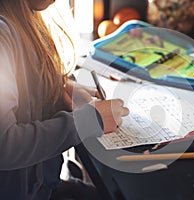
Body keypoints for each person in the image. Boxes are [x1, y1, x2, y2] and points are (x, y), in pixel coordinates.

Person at [0, 0, 129, 199]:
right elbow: (5, 145)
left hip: (43, 187)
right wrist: (90, 121)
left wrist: (53, 90)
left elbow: (20, 99)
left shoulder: (25, 15)